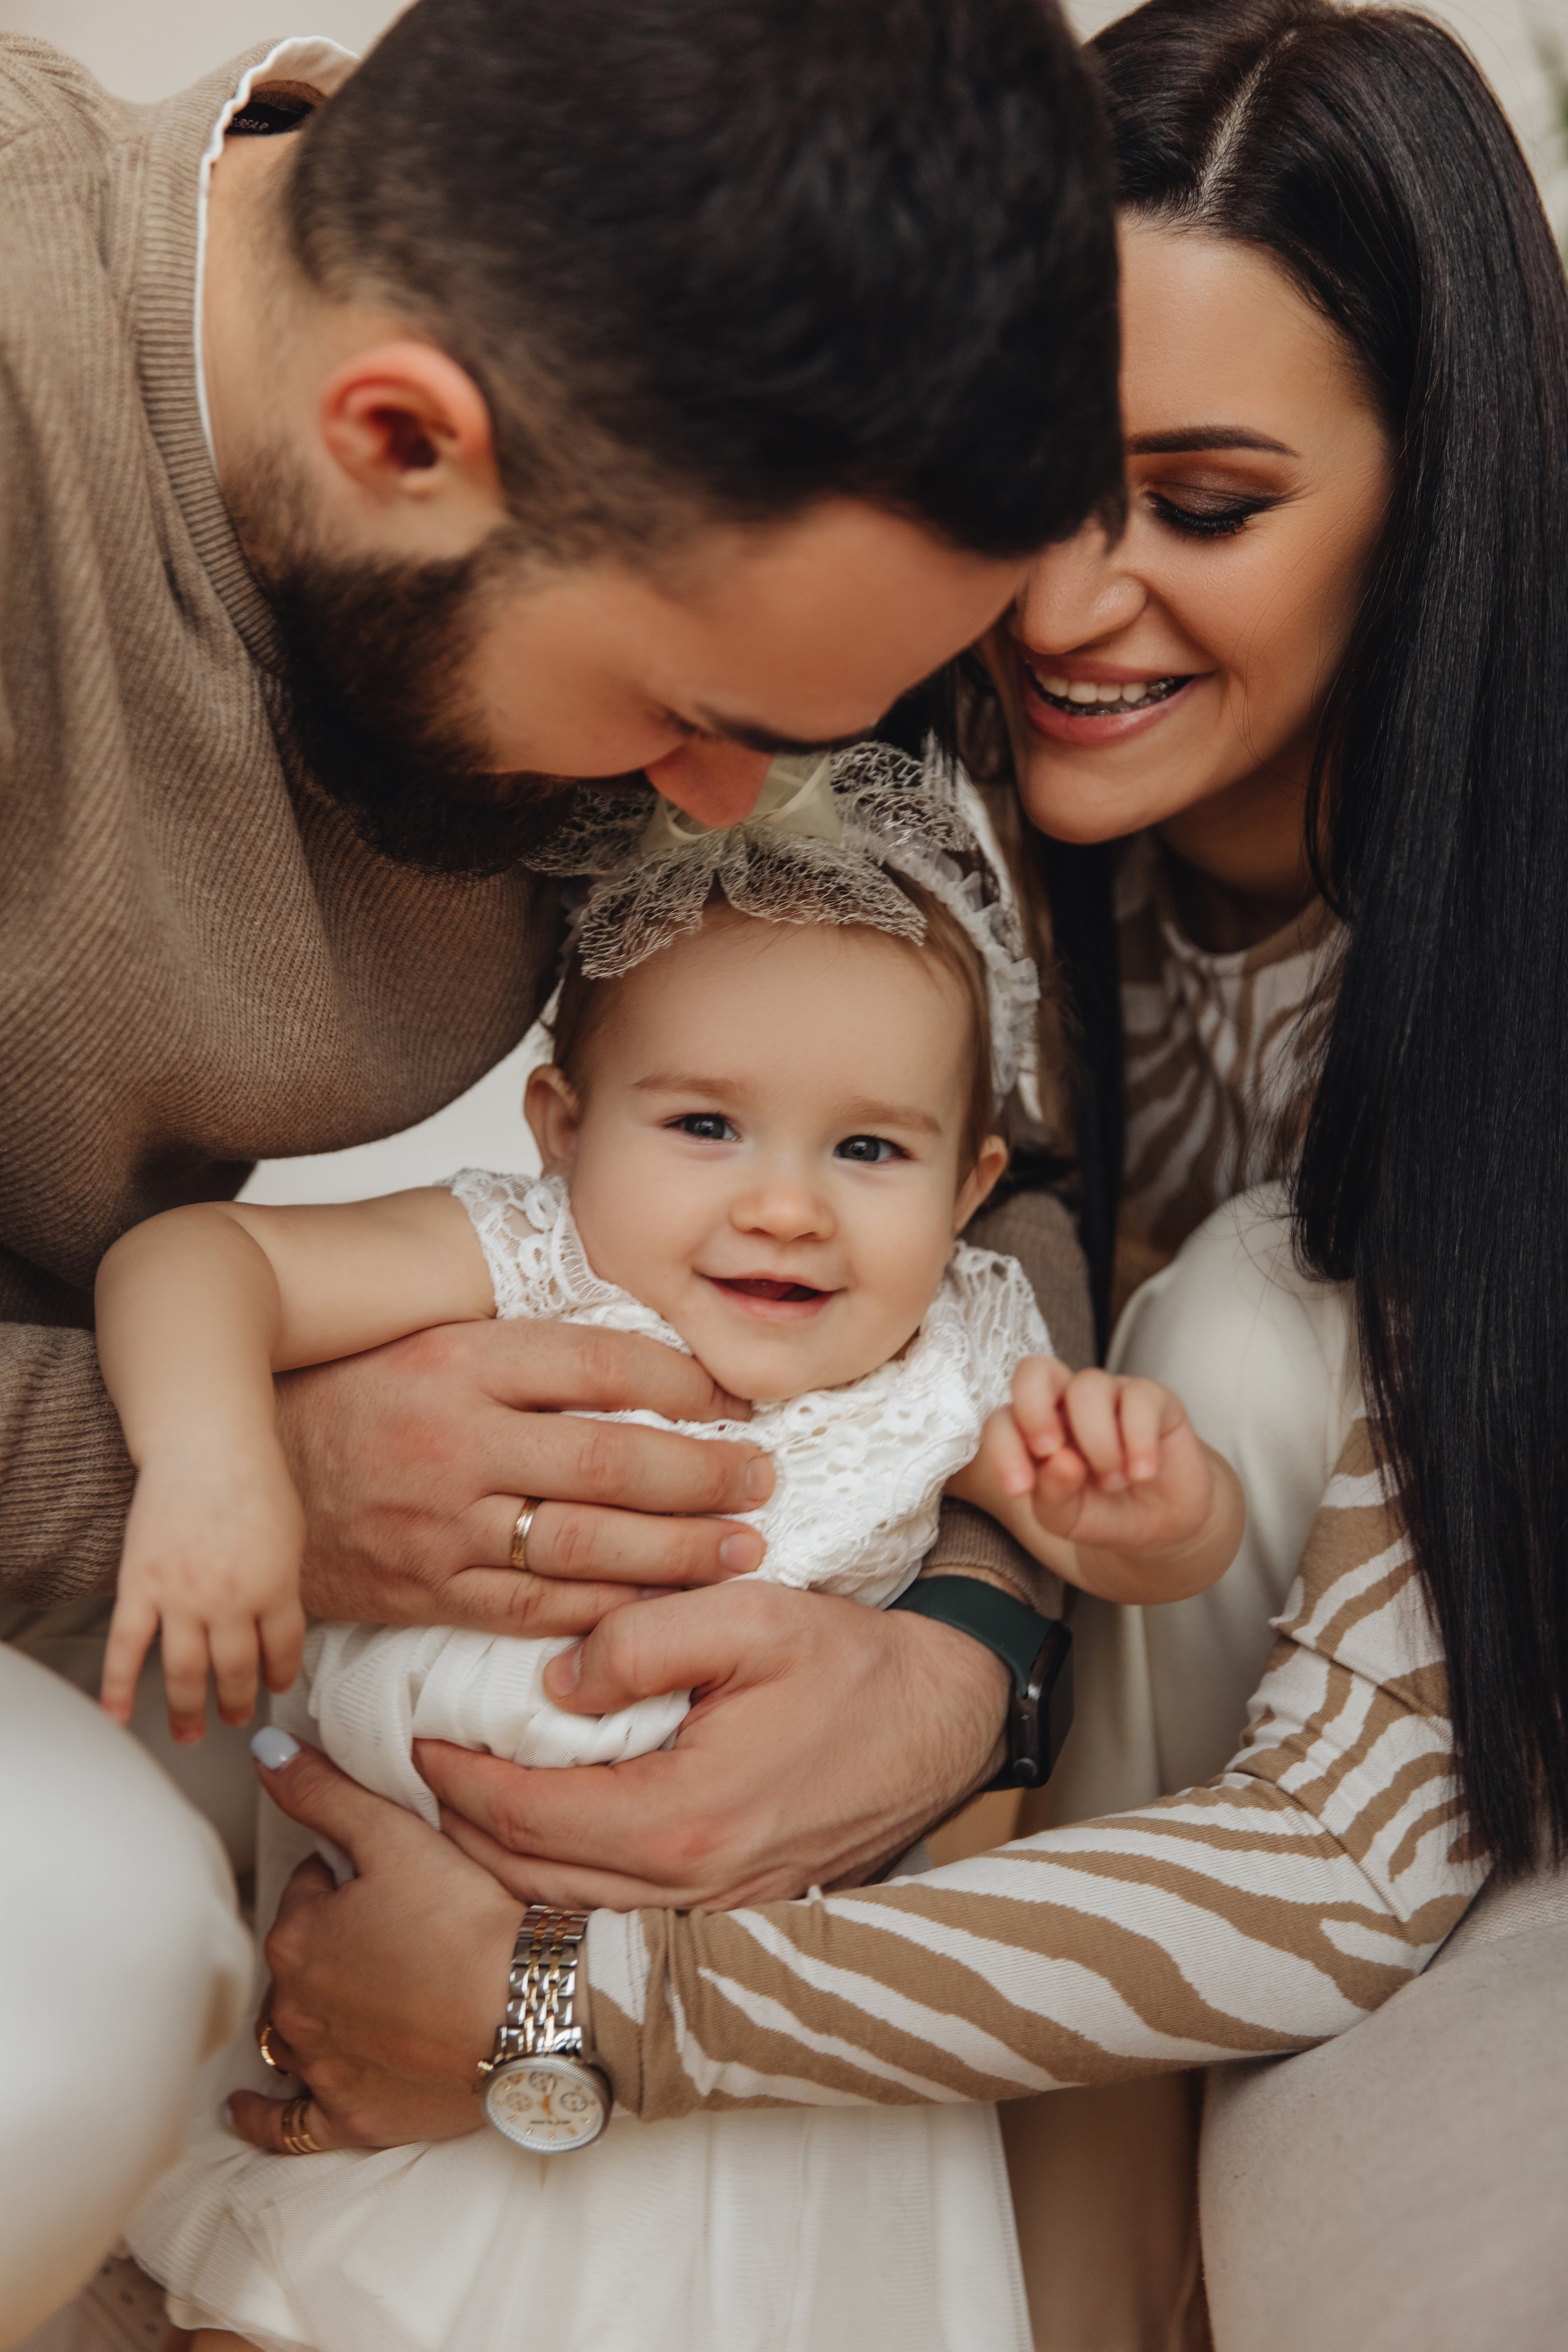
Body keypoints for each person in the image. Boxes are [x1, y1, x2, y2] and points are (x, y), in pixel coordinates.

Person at [235, 8, 1568, 2351]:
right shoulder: (882, 792)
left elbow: (1352, 1855)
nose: (1066, 609)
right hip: (1116, 1808)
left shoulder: (1507, 962)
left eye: (1214, 506)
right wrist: (968, 1635)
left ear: (1447, 486)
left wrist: (573, 2010)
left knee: (1250, 1321)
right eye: (1047, 489)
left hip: (1452, 1816)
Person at [0, 1, 1125, 2324]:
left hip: (280, 1646)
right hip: (153, 1557)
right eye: (687, 719)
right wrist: (226, 1477)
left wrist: (958, 1659)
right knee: (78, 1992)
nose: (724, 816)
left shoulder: (739, 478)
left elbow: (972, 1160)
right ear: (400, 436)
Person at [113, 752, 1242, 2352]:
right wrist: (222, 1458)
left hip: (743, 2027)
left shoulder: (945, 1354)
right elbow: (196, 1259)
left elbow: (1116, 1557)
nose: (785, 1208)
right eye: (707, 1124)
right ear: (562, 1127)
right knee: (327, 2294)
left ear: (972, 1186)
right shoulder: (530, 1256)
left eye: (870, 1153)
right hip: (404, 1916)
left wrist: (1163, 1518)